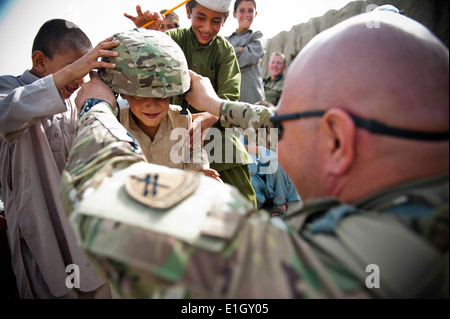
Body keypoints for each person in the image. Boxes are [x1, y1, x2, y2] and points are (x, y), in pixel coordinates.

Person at [61, 10, 448, 299]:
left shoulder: (362, 260)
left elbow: (110, 205)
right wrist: (217, 105)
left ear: (337, 141)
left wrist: (95, 111)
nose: (273, 132)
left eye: (284, 123)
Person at [0, 19, 117, 299]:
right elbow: (7, 114)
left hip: (82, 236)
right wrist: (69, 75)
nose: (79, 79)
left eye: (84, 69)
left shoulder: (72, 105)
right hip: (39, 236)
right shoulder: (10, 89)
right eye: (73, 67)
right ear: (39, 61)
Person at [124, 0, 257, 208]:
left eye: (215, 21)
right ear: (188, 11)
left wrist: (208, 118)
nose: (206, 28)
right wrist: (143, 32)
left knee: (242, 205)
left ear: (225, 19)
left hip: (218, 133)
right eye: (200, 18)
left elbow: (229, 96)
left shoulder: (225, 51)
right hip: (177, 138)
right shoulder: (172, 39)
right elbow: (143, 54)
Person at [99, 28, 220, 181]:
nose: (152, 105)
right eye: (141, 95)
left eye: (161, 94)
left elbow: (193, 156)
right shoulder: (113, 123)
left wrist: (201, 171)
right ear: (123, 92)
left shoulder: (181, 120)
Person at [243, 101, 301, 216]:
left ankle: (280, 202)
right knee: (248, 174)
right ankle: (255, 202)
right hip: (262, 181)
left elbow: (273, 155)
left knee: (276, 162)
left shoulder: (280, 134)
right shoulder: (247, 134)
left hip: (280, 183)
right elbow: (252, 167)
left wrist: (248, 148)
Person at [225, 0, 266, 104]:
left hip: (254, 99)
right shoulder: (226, 40)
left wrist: (231, 53)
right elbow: (223, 62)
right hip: (231, 101)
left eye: (250, 11)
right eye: (242, 10)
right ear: (234, 14)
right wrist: (240, 49)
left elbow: (244, 59)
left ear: (255, 13)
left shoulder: (257, 36)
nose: (246, 15)